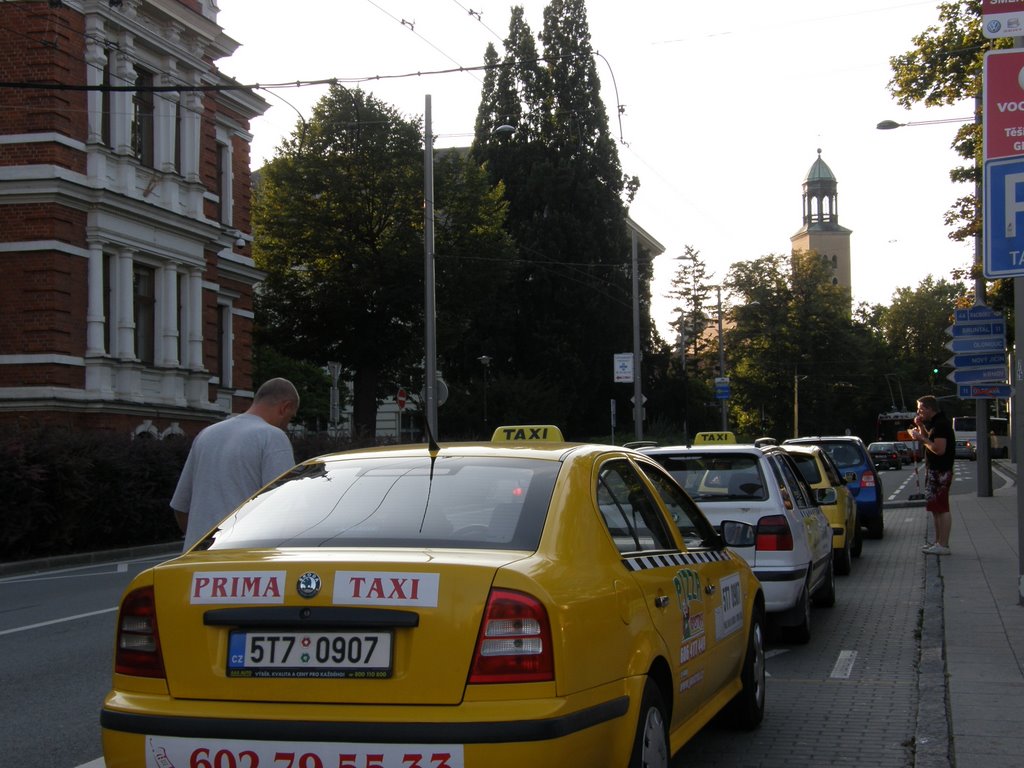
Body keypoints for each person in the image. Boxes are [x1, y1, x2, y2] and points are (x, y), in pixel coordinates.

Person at [171, 377, 300, 550]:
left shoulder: (207, 434)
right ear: (285, 407)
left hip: (196, 558)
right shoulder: (273, 437)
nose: (286, 426)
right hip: (242, 560)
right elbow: (283, 508)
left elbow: (181, 507)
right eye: (290, 418)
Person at [909, 395, 955, 555]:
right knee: (935, 507)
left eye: (920, 408)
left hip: (941, 470)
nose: (918, 411)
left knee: (942, 507)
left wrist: (921, 438)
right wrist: (921, 428)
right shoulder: (936, 423)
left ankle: (944, 544)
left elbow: (939, 449)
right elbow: (930, 439)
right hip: (935, 469)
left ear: (929, 409)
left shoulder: (941, 425)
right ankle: (938, 542)